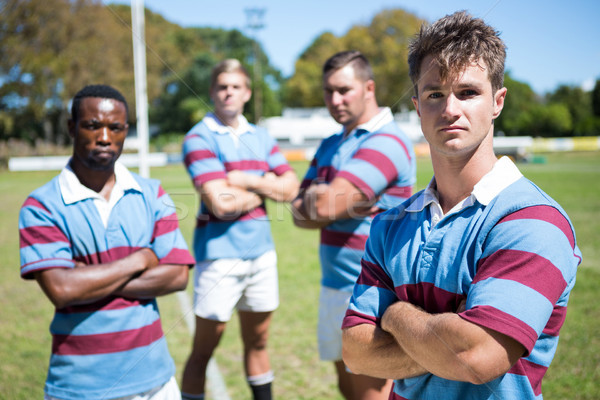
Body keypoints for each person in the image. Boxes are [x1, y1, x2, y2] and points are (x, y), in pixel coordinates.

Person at [341, 11, 582, 400]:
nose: (450, 109)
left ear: (497, 102)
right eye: (435, 94)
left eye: (468, 92)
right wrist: (446, 336)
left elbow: (475, 357)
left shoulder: (534, 221)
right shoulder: (390, 224)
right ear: (418, 106)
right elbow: (356, 351)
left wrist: (394, 314)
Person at [18, 84, 195, 400]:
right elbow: (62, 290)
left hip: (157, 381)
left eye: (115, 127)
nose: (104, 137)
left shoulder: (152, 193)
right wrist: (139, 260)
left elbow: (178, 275)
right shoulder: (42, 205)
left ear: (126, 131)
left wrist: (88, 276)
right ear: (72, 128)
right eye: (92, 125)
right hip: (82, 386)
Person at [291, 50, 416, 400]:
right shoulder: (332, 143)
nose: (335, 100)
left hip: (372, 291)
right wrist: (328, 200)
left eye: (344, 90)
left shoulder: (387, 140)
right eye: (328, 91)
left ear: (369, 87)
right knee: (346, 388)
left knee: (372, 393)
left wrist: (321, 199)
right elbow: (299, 215)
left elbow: (324, 205)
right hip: (333, 285)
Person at [180, 59, 299, 400]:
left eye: (236, 86)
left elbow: (291, 189)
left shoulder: (260, 137)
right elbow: (221, 203)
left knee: (259, 344)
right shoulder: (199, 137)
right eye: (222, 86)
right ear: (212, 92)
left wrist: (245, 180)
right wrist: (266, 187)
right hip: (218, 258)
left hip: (261, 255)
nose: (228, 92)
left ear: (247, 93)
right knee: (203, 351)